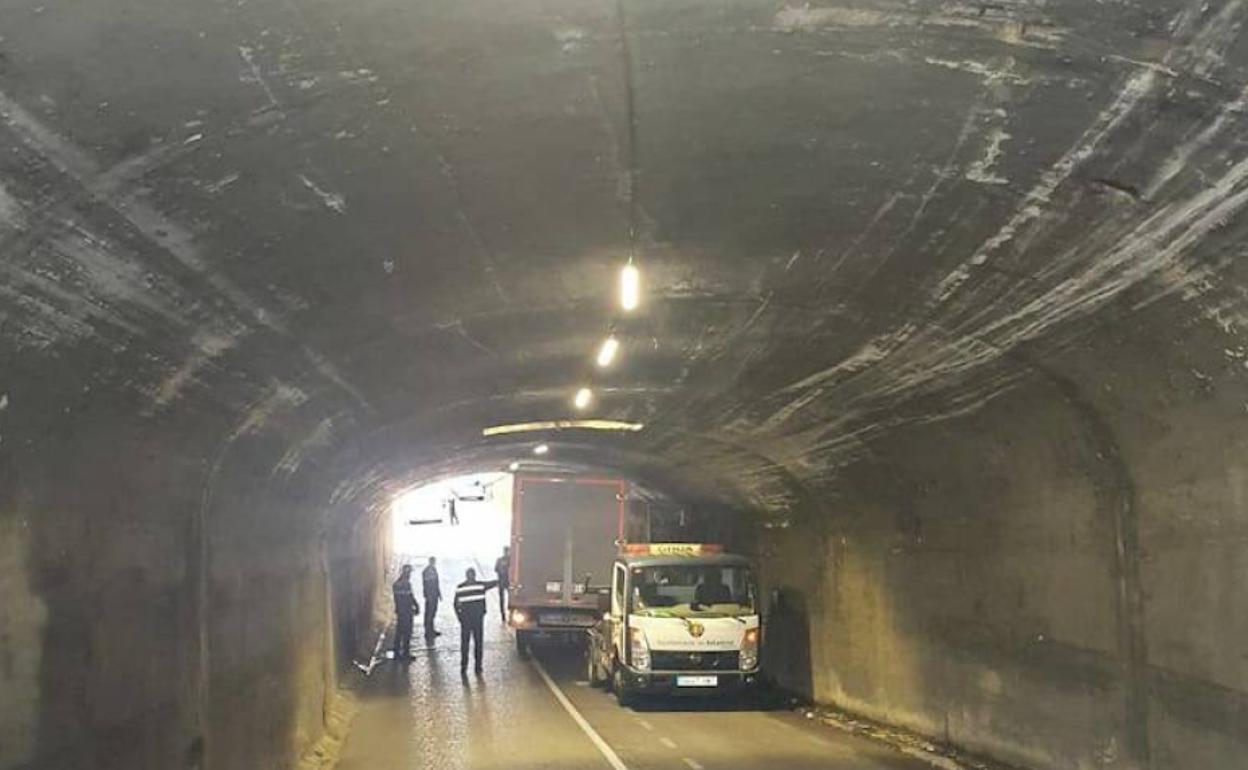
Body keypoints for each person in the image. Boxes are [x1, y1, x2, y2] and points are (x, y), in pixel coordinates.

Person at [453, 567, 497, 675]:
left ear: (466, 576)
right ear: (474, 575)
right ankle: (478, 667)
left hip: (465, 621)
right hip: (478, 620)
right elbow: (492, 583)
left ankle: (463, 667)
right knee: (478, 643)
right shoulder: (480, 586)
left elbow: (455, 604)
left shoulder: (460, 588)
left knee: (465, 644)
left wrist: (460, 617)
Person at [392, 564, 420, 660]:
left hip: (400, 611)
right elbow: (410, 597)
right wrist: (416, 606)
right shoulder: (406, 584)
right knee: (407, 633)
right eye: (410, 573)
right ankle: (406, 654)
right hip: (407, 612)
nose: (410, 575)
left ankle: (396, 653)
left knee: (399, 632)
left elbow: (398, 599)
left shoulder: (396, 584)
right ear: (407, 573)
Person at [422, 557, 442, 638]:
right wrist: (433, 594)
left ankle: (430, 630)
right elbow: (431, 584)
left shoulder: (431, 570)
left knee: (431, 612)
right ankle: (428, 631)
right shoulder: (429, 571)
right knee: (430, 613)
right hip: (431, 595)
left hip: (432, 594)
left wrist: (439, 594)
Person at [494, 546, 511, 621]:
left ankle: (510, 612)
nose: (507, 553)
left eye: (508, 551)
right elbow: (496, 569)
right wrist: (502, 571)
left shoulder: (511, 559)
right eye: (506, 551)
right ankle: (503, 615)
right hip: (501, 582)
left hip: (508, 582)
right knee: (502, 600)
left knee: (510, 599)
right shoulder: (499, 560)